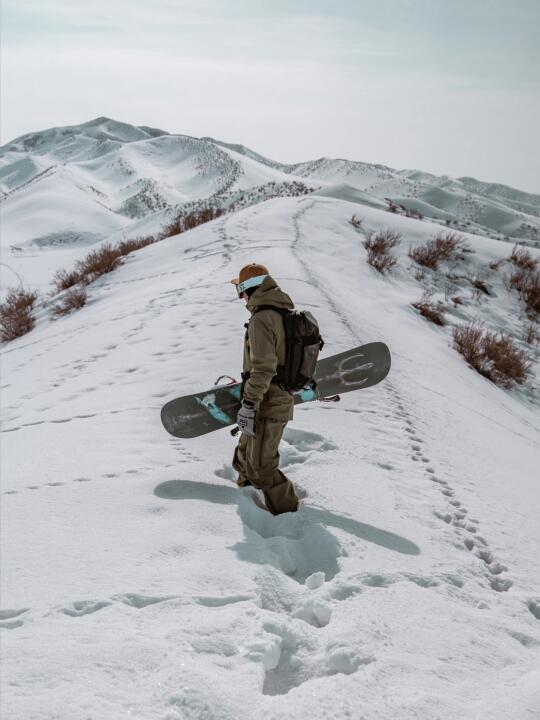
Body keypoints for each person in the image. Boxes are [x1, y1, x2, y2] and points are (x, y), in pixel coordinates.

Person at [230, 263, 299, 515]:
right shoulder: (282, 313)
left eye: (240, 291)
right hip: (270, 400)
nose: (241, 298)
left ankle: (290, 515)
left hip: (267, 404)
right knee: (244, 456)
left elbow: (264, 368)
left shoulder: (262, 319)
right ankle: (246, 502)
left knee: (261, 466)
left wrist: (248, 405)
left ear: (248, 288)